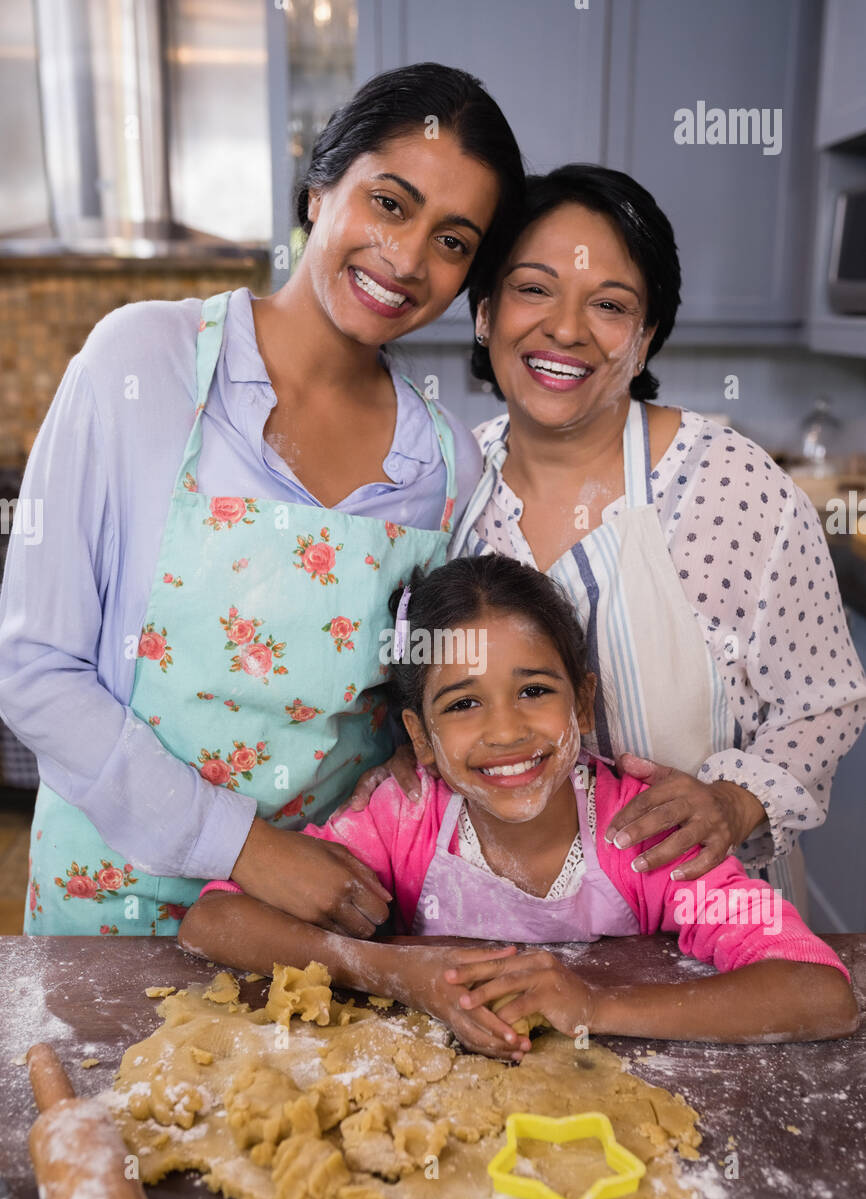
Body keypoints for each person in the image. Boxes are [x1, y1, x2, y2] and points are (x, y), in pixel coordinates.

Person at [0, 63, 525, 936]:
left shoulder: (448, 467)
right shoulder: (144, 364)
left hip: (318, 928)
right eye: (390, 203)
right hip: (110, 905)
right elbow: (35, 672)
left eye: (453, 241)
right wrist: (246, 849)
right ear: (321, 187)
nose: (406, 259)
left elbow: (414, 720)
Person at [351, 164, 866, 921]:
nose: (566, 328)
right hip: (496, 954)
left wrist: (733, 801)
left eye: (611, 304)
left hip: (713, 950)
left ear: (647, 336)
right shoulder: (446, 493)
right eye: (533, 288)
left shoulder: (731, 486)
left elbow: (825, 702)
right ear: (485, 311)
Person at [181, 555, 857, 1060]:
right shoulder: (402, 819)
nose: (506, 732)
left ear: (583, 702)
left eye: (534, 690)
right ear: (420, 738)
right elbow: (213, 920)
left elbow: (818, 994)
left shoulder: (649, 834)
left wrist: (595, 1003)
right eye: (464, 703)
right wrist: (396, 974)